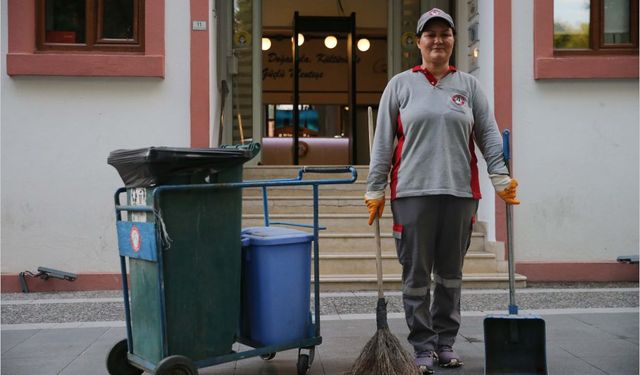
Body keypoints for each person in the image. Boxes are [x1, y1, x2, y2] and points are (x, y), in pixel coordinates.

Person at [365, 8, 520, 374]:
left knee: (450, 274)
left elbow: (488, 134)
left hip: (459, 194)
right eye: (429, 34)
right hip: (412, 194)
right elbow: (383, 143)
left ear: (453, 40)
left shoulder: (469, 86)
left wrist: (500, 175)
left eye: (444, 34)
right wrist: (375, 188)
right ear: (418, 42)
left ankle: (446, 342)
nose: (437, 40)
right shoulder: (400, 85)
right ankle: (422, 345)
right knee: (416, 275)